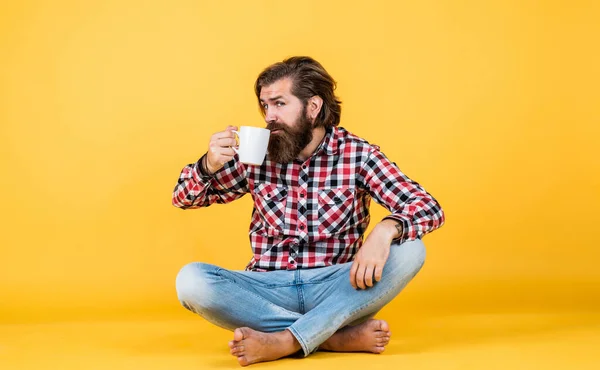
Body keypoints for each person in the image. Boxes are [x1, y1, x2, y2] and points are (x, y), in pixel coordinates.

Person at [172, 56, 445, 366]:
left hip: (338, 287)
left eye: (279, 104)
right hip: (267, 287)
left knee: (412, 249)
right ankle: (331, 337)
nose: (268, 116)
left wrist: (385, 230)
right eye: (264, 106)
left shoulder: (358, 154)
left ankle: (286, 340)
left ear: (313, 107)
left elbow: (427, 207)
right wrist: (208, 165)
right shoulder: (257, 152)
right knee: (191, 281)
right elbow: (184, 198)